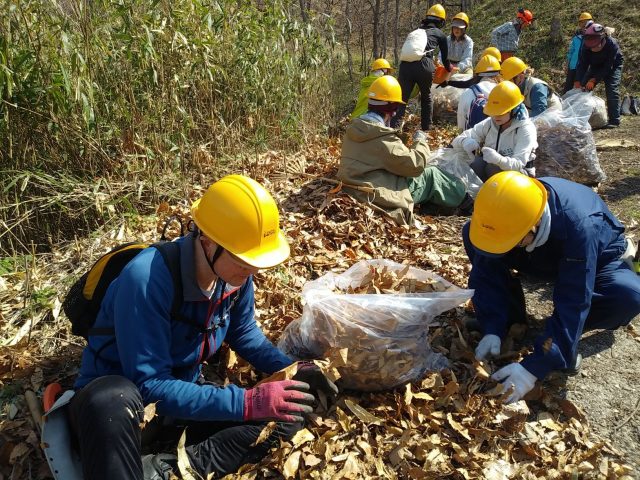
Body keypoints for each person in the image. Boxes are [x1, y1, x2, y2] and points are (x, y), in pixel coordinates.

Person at [66, 175, 338, 479]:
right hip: (119, 413)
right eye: (243, 259)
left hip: (180, 399)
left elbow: (244, 334)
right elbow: (149, 384)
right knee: (111, 398)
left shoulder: (234, 277)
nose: (253, 270)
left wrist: (292, 368)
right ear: (207, 241)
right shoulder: (146, 278)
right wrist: (246, 402)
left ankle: (168, 470)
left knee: (287, 416)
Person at [463, 171, 640, 404]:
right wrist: (492, 326)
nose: (504, 248)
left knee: (629, 296)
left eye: (511, 241)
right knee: (479, 242)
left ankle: (564, 339)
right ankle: (510, 320)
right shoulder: (501, 216)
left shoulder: (580, 226)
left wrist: (540, 363)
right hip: (539, 253)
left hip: (597, 259)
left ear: (535, 224)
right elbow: (485, 272)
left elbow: (575, 297)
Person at [338, 75, 472, 225]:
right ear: (390, 109)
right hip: (377, 194)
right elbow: (415, 166)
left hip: (356, 186)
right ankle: (468, 203)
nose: (395, 113)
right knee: (431, 174)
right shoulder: (382, 138)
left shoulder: (353, 130)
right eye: (395, 108)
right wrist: (420, 141)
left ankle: (434, 205)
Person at [451, 81, 537, 181]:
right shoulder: (490, 123)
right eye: (494, 111)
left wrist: (499, 160)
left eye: (500, 112)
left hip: (520, 176)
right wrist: (464, 141)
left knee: (492, 168)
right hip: (492, 168)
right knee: (472, 164)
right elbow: (458, 139)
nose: (496, 116)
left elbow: (518, 164)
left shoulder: (525, 129)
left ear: (514, 110)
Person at [391, 3, 452, 131]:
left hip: (405, 66)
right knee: (426, 97)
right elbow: (446, 59)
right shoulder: (440, 34)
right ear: (441, 21)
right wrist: (449, 70)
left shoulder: (415, 31)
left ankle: (393, 128)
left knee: (401, 98)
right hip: (424, 66)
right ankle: (426, 129)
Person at [575, 23, 624, 129]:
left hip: (613, 65)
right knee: (583, 87)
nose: (593, 49)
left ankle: (614, 120)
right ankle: (581, 118)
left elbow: (608, 67)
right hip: (595, 65)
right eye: (591, 47)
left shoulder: (612, 44)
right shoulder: (586, 46)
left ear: (602, 40)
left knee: (611, 89)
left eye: (595, 46)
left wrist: (594, 80)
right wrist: (578, 80)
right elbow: (582, 65)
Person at [456, 54, 502, 130]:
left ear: (477, 75)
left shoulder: (467, 93)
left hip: (473, 136)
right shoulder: (504, 91)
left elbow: (461, 121)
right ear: (498, 74)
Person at [563, 12, 594, 94]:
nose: (583, 26)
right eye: (581, 23)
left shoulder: (593, 38)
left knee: (580, 88)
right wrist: (567, 64)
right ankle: (564, 100)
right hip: (572, 66)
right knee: (568, 87)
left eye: (585, 23)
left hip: (584, 68)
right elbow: (571, 52)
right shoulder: (576, 38)